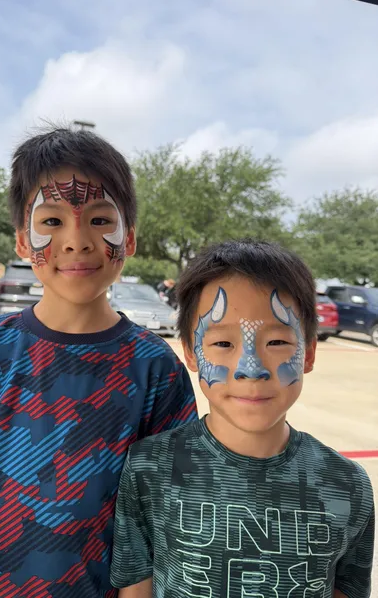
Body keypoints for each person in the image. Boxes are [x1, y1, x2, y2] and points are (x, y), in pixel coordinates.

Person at [0, 127, 198, 597]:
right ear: (20, 241)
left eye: (99, 221)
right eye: (51, 222)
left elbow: (164, 510)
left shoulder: (156, 369)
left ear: (129, 239)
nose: (76, 241)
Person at [111, 239, 375, 598]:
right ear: (191, 352)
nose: (251, 369)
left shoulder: (347, 484)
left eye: (277, 342)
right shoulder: (148, 467)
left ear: (309, 353)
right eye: (222, 344)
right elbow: (136, 586)